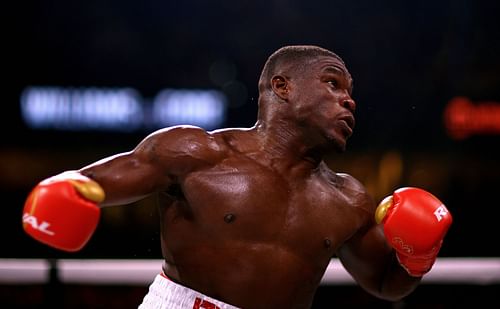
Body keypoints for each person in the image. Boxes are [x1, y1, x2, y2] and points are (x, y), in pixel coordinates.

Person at [22, 45, 452, 309]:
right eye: (333, 84)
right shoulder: (197, 152)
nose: (348, 101)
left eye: (350, 93)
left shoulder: (349, 198)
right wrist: (63, 190)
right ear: (282, 87)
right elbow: (87, 186)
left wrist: (417, 258)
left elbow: (385, 283)